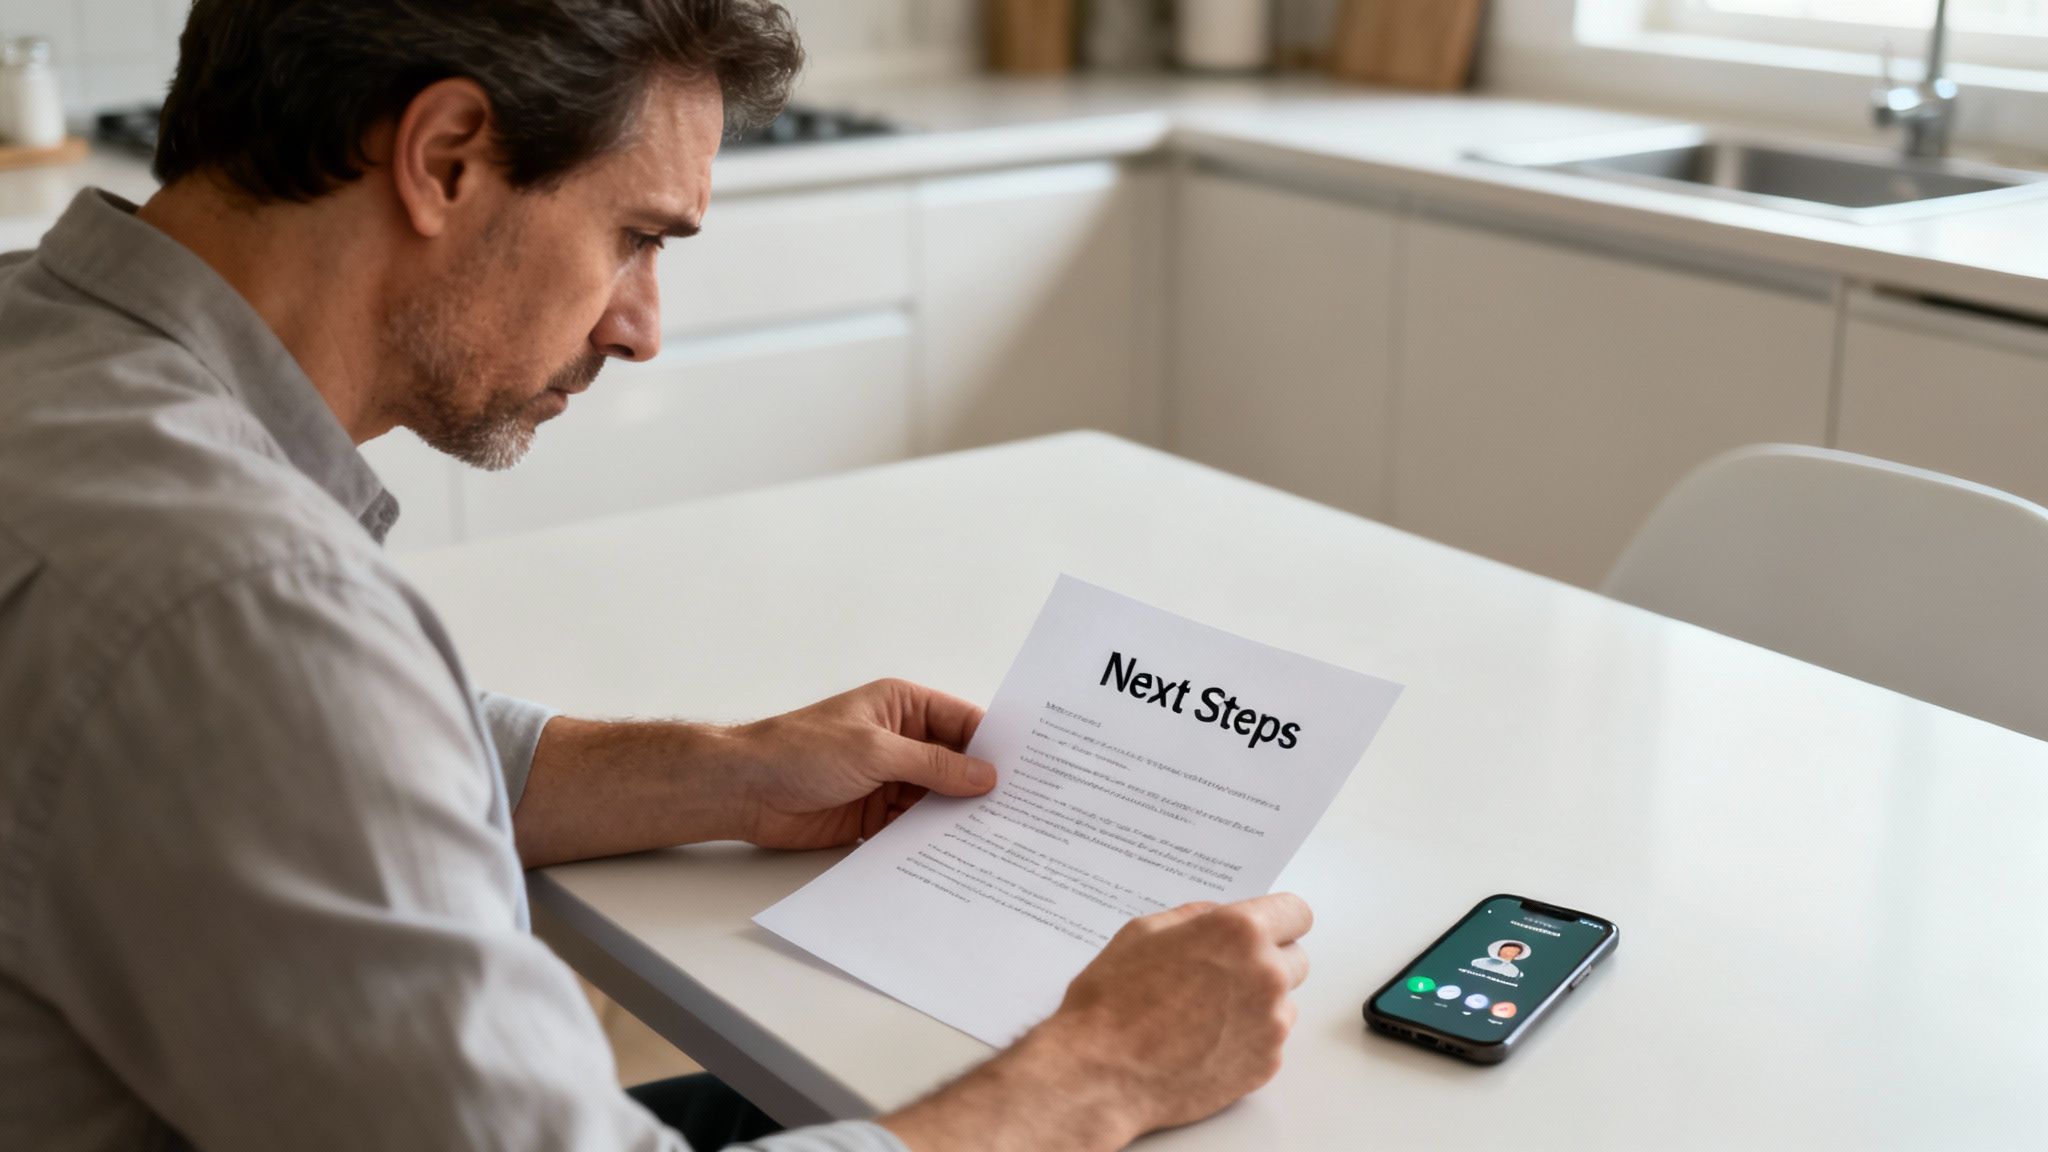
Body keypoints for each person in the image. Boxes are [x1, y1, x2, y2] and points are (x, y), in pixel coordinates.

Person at [0, 3, 1314, 1151]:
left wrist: (723, 767)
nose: (639, 327)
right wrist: (1103, 1073)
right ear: (445, 158)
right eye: (634, 235)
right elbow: (271, 696)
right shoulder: (246, 614)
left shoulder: (44, 348)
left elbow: (266, 757)